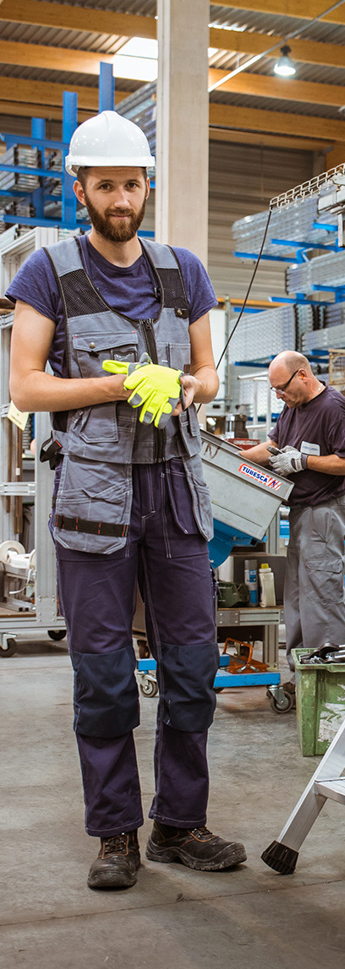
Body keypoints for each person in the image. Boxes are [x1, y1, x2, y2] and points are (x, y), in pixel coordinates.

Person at [7, 110, 246, 891]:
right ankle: (115, 832)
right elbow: (27, 385)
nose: (120, 197)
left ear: (146, 187)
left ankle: (180, 824)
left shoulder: (184, 272)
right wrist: (117, 382)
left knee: (191, 667)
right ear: (81, 189)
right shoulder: (48, 273)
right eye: (104, 184)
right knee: (103, 673)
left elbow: (212, 374)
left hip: (175, 493)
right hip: (94, 497)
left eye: (131, 183)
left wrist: (185, 385)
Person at [239, 352, 345, 681]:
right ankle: (302, 678)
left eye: (281, 388)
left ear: (303, 376)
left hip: (323, 514)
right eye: (274, 390)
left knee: (320, 601)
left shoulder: (333, 407)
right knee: (296, 601)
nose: (279, 395)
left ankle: (328, 685)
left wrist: (304, 463)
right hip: (300, 514)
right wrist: (230, 460)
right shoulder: (292, 407)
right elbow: (272, 445)